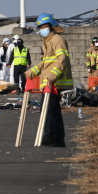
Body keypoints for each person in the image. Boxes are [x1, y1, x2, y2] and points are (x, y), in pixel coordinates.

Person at [24, 13, 70, 147]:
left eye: (44, 26)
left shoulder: (57, 40)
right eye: (40, 27)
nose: (41, 29)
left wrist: (52, 76)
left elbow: (62, 60)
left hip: (54, 81)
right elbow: (45, 63)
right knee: (54, 111)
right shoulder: (48, 42)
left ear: (50, 27)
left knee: (49, 110)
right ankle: (58, 139)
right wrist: (32, 72)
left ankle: (49, 136)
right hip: (50, 81)